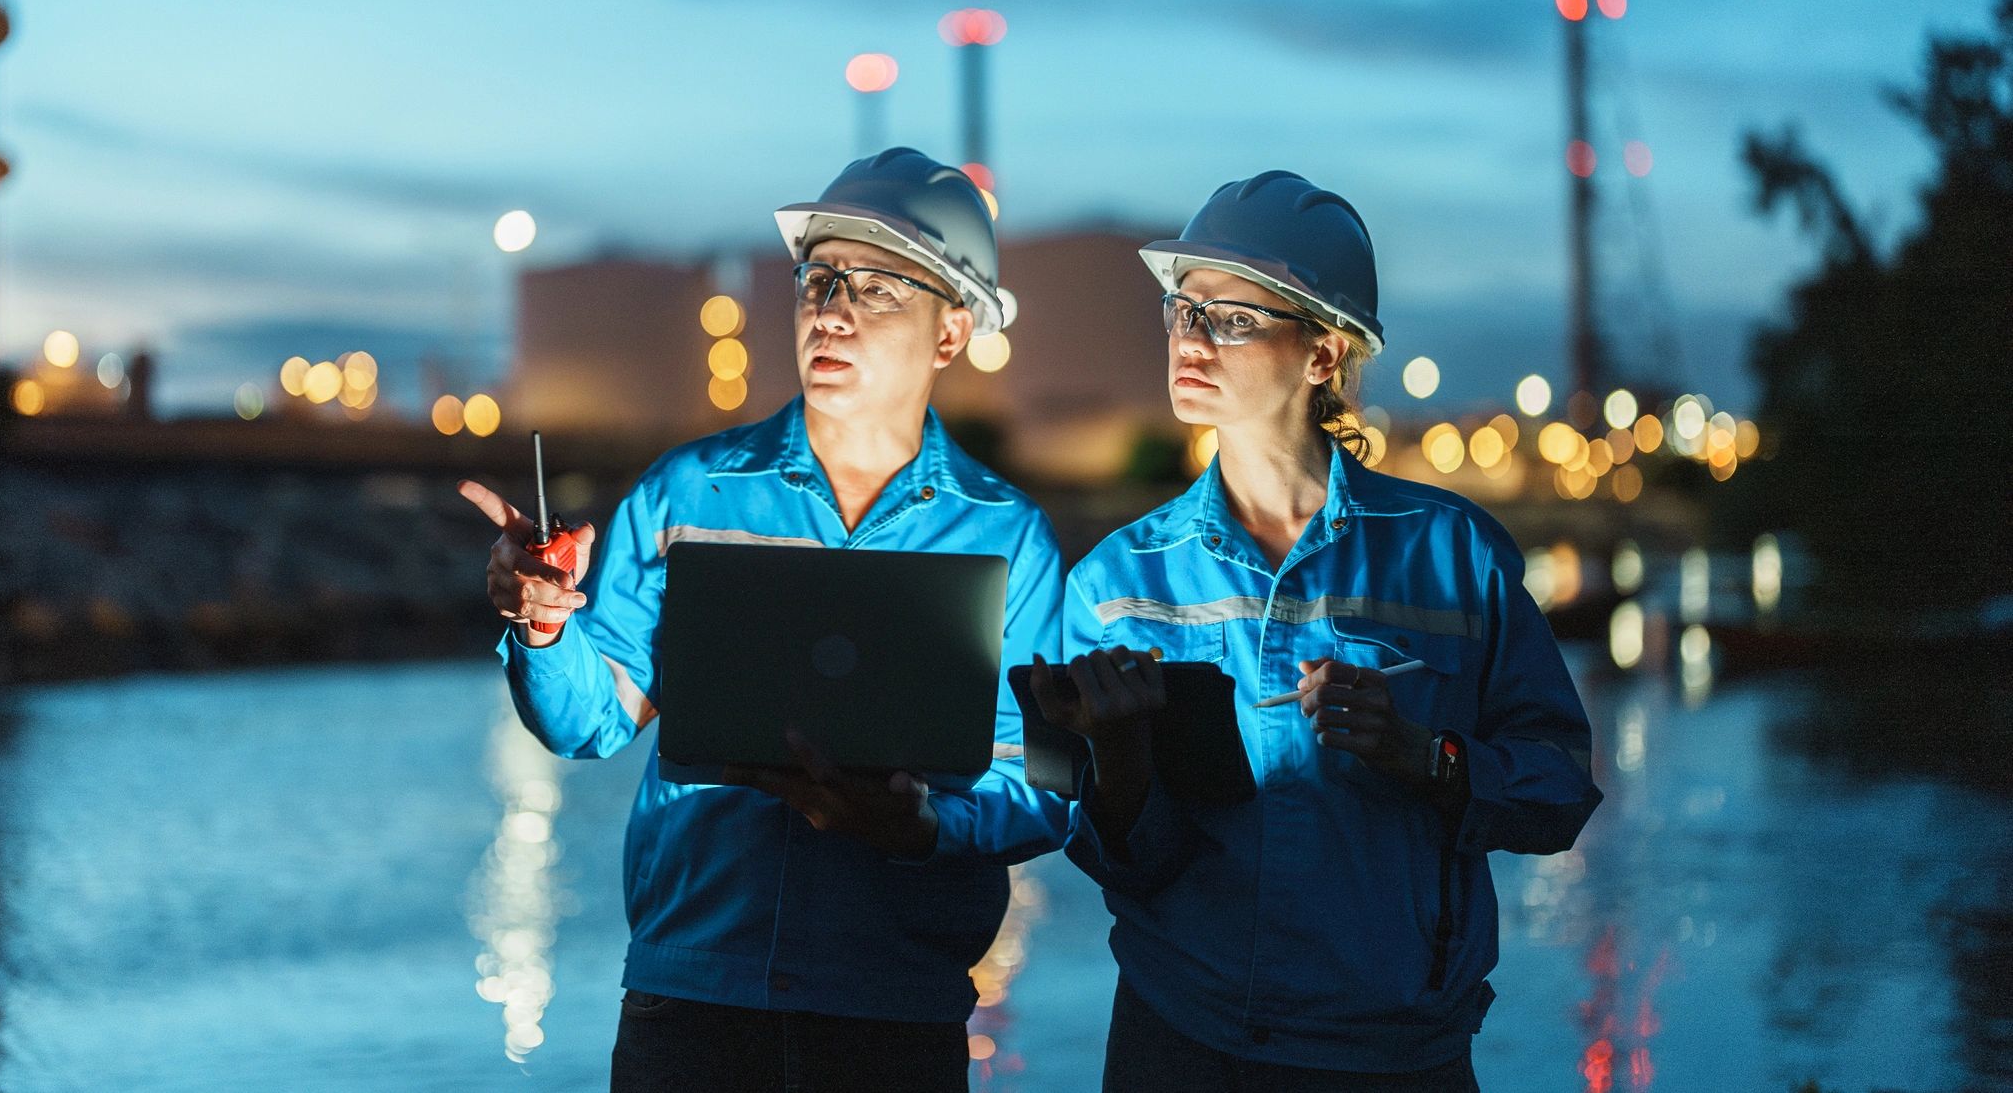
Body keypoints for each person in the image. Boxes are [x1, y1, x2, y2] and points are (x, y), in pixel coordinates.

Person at [461, 149, 1068, 1093]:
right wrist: (544, 626)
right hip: (695, 1002)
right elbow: (592, 718)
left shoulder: (1004, 538)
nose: (831, 309)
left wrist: (916, 826)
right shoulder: (685, 493)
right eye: (818, 279)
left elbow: (1042, 783)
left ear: (951, 332)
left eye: (874, 288)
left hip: (893, 1010)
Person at [1031, 171, 1602, 1092]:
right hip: (1180, 1043)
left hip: (1389, 1059)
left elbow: (1558, 788)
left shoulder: (1451, 556)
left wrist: (1421, 755)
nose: (1188, 335)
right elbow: (1122, 861)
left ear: (1324, 352)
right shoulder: (1115, 581)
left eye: (1231, 316)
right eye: (1181, 308)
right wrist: (1121, 759)